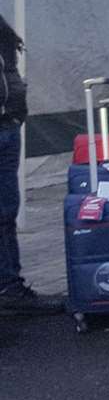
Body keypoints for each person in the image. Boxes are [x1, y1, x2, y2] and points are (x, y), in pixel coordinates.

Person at [0, 16, 54, 315]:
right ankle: (9, 286)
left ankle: (10, 286)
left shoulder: (3, 32)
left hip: (8, 128)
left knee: (7, 212)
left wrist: (18, 113)